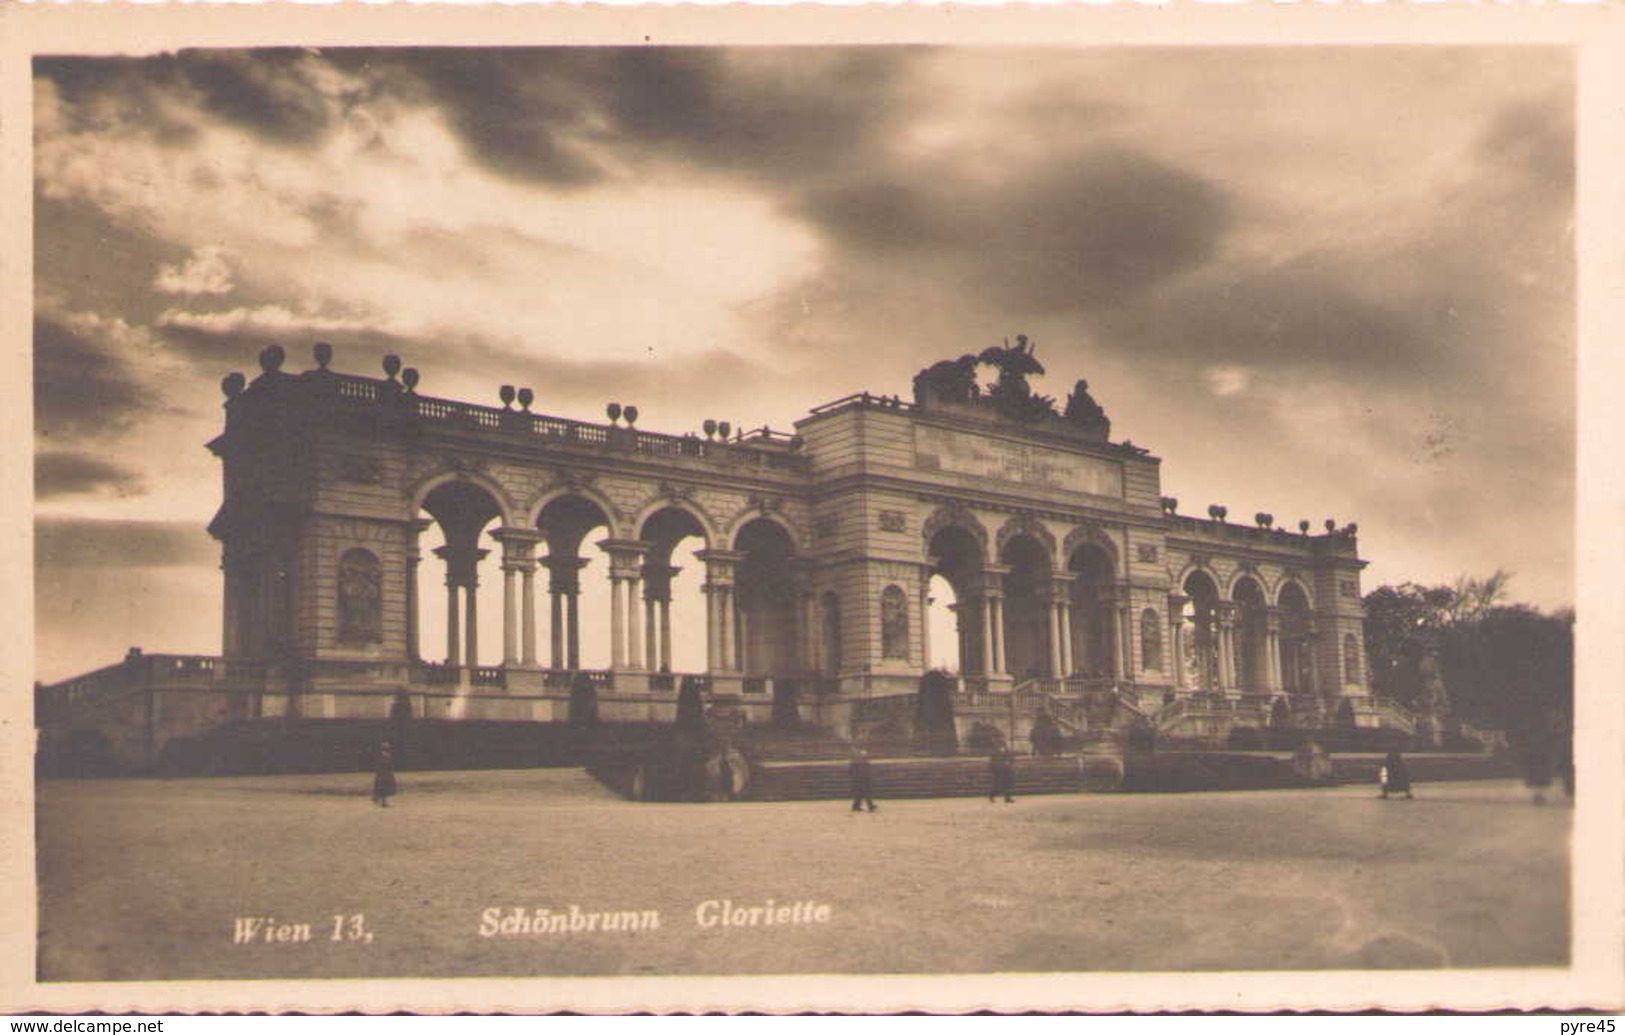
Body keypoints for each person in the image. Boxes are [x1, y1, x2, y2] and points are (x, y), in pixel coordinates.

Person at [849, 747, 877, 813]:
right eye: (864, 755)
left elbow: (868, 771)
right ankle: (870, 806)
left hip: (863, 779)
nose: (865, 756)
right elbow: (852, 771)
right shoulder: (857, 763)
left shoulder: (862, 762)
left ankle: (856, 806)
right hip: (861, 780)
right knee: (866, 794)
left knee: (860, 794)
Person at [372, 739, 397, 808]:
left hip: (381, 774)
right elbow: (389, 766)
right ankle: (384, 802)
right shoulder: (387, 756)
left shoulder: (381, 756)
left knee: (383, 788)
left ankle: (382, 801)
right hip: (385, 774)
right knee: (385, 788)